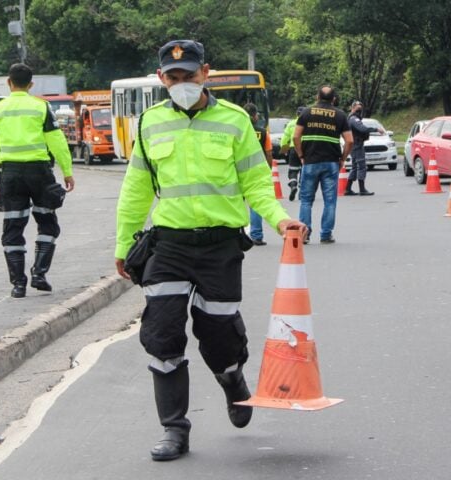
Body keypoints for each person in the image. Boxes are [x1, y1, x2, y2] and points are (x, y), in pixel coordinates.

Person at [113, 39, 306, 462]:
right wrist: (124, 241)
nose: (181, 83)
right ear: (162, 78)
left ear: (206, 73)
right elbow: (137, 187)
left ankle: (231, 377)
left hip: (220, 245)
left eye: (189, 75)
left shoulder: (236, 121)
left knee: (218, 334)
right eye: (173, 77)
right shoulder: (148, 123)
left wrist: (280, 220)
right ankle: (174, 430)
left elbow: (257, 182)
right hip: (169, 245)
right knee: (163, 336)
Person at [0, 63, 75, 299]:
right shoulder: (41, 107)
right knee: (48, 223)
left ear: (8, 82)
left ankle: (18, 284)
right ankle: (39, 274)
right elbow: (57, 141)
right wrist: (67, 170)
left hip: (10, 174)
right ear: (31, 84)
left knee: (13, 227)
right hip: (39, 173)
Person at [293, 86, 352, 244]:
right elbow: (350, 140)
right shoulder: (340, 115)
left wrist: (301, 156)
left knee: (306, 200)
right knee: (330, 201)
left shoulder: (306, 112)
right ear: (334, 99)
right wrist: (342, 159)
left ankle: (304, 234)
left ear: (317, 97)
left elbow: (296, 136)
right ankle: (326, 234)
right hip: (331, 162)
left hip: (310, 161)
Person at [244, 102, 274, 246]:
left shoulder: (238, 131)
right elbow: (268, 153)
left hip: (237, 172)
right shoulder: (263, 132)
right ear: (255, 116)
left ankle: (237, 235)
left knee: (235, 204)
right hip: (256, 172)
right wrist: (267, 169)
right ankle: (257, 235)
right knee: (255, 204)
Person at [344, 100, 384, 196]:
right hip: (357, 145)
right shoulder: (354, 119)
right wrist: (376, 129)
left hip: (354, 145)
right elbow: (363, 129)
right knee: (361, 166)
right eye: (357, 109)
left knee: (354, 167)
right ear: (352, 108)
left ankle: (347, 189)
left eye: (360, 109)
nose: (359, 111)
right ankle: (362, 189)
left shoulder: (351, 118)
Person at [280, 106, 304, 201]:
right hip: (305, 150)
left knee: (293, 170)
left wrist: (284, 151)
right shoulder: (308, 123)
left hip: (293, 149)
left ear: (296, 114)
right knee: (304, 170)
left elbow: (284, 139)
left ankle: (293, 186)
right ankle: (302, 192)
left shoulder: (290, 124)